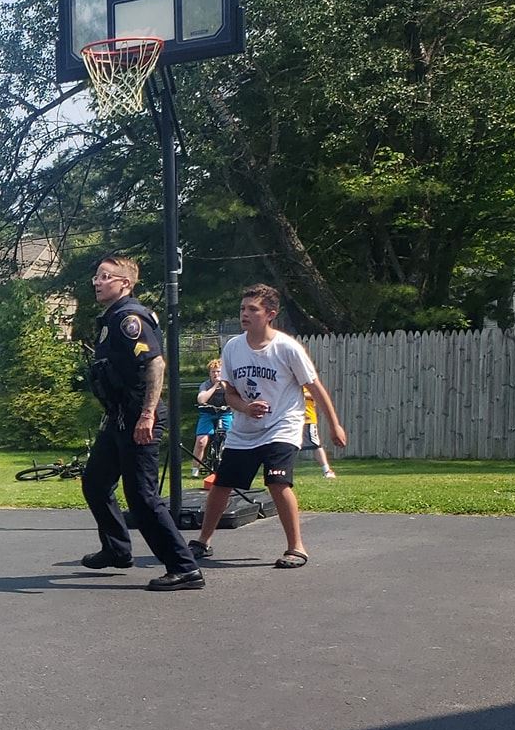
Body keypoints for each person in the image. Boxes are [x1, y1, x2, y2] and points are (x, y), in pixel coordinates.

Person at [189, 284, 347, 569]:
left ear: (270, 314)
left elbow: (315, 387)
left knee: (277, 481)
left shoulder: (286, 348)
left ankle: (296, 547)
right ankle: (202, 542)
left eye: (253, 309)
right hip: (245, 429)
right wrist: (246, 408)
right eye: (242, 309)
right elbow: (230, 393)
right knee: (221, 484)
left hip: (282, 425)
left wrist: (334, 425)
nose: (245, 314)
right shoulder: (233, 348)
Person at [78, 253, 204, 591]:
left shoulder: (129, 319)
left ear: (125, 284)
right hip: (118, 418)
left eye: (105, 276)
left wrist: (147, 415)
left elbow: (155, 365)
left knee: (143, 497)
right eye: (97, 276)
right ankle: (117, 550)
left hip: (139, 418)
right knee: (95, 482)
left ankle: (184, 568)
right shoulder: (110, 319)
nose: (97, 281)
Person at [194, 356, 234, 476]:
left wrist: (223, 385)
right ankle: (195, 469)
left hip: (225, 413)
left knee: (231, 439)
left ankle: (230, 467)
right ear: (209, 373)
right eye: (213, 372)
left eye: (218, 371)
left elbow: (233, 396)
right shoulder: (205, 385)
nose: (216, 374)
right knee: (201, 441)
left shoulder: (227, 384)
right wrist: (214, 386)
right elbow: (201, 399)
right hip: (208, 413)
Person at [301, 388, 338, 478]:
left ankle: (327, 471)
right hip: (292, 420)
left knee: (316, 445)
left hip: (307, 419)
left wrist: (298, 394)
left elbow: (314, 395)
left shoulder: (306, 385)